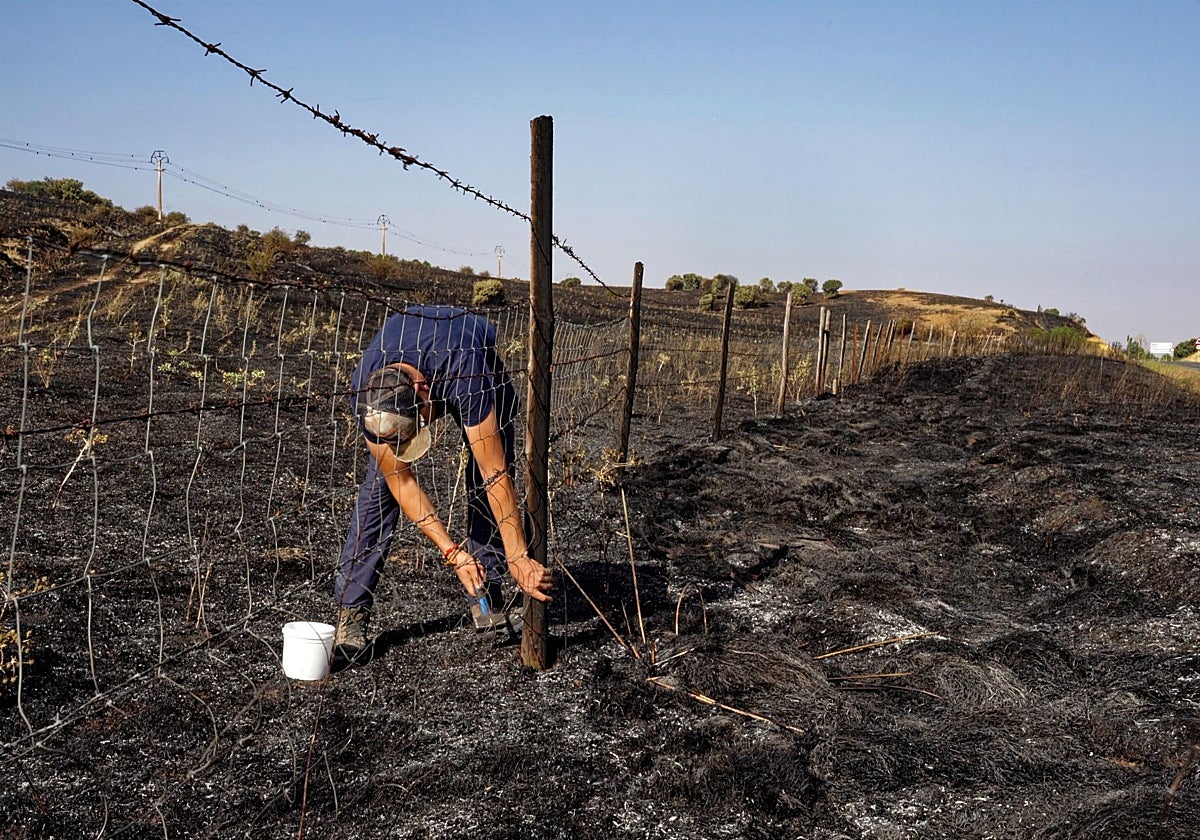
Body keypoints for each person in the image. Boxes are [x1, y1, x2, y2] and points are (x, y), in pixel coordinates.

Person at [334, 304, 553, 660]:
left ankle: (486, 591)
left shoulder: (467, 371)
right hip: (420, 358)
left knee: (487, 469)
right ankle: (352, 612)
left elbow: (494, 473)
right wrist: (453, 553)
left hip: (468, 354)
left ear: (423, 390)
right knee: (379, 487)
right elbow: (402, 483)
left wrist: (518, 555)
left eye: (419, 424)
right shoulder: (367, 397)